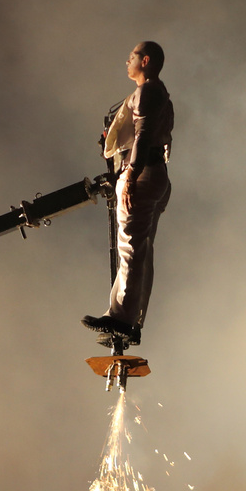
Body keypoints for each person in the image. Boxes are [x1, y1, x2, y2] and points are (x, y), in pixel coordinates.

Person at [83, 41, 173, 348]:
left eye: (131, 57)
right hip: (156, 173)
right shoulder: (162, 95)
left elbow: (144, 135)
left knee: (130, 248)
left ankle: (121, 318)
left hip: (142, 173)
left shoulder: (148, 92)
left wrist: (131, 176)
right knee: (142, 252)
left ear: (145, 60)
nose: (127, 61)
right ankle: (130, 320)